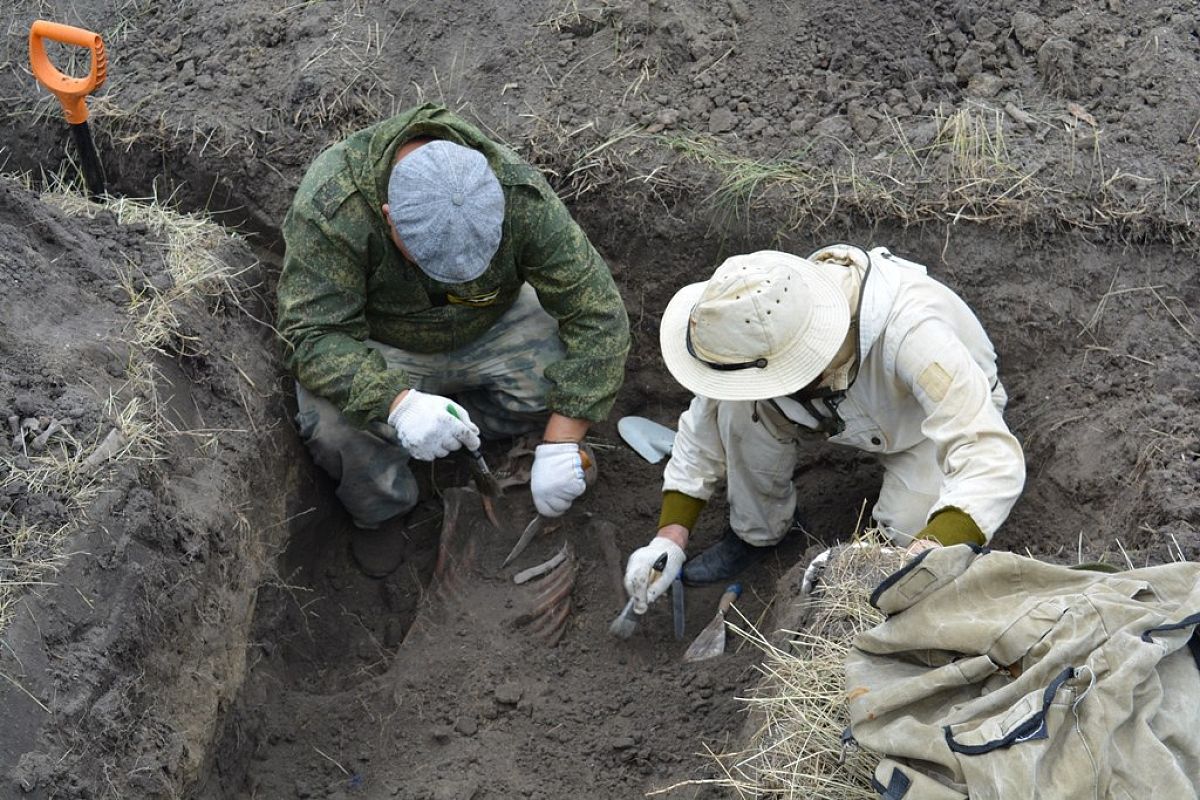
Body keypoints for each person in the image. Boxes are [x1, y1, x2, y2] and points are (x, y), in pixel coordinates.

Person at [277, 103, 630, 576]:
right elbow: (312, 334)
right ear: (388, 218)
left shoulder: (518, 195)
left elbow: (598, 312)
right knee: (335, 428)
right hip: (382, 342)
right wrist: (397, 403)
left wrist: (563, 441)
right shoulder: (334, 207)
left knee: (564, 378)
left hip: (492, 323)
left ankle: (456, 440)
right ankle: (386, 505)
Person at [623, 246, 1025, 610]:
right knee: (735, 410)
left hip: (924, 426)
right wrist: (669, 537)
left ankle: (886, 547)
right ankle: (757, 533)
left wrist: (918, 554)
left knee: (910, 535)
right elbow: (703, 425)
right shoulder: (755, 321)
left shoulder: (914, 335)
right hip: (842, 410)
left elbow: (988, 457)